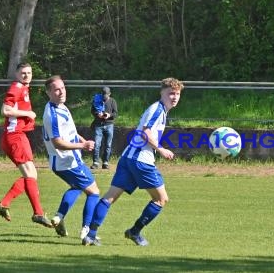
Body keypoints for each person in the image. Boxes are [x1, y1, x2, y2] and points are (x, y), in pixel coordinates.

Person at [81, 77, 184, 246]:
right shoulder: (157, 110)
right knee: (161, 199)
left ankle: (90, 235)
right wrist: (161, 149)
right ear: (162, 93)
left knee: (110, 197)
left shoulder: (160, 110)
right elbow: (145, 133)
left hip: (128, 158)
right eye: (171, 93)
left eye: (177, 94)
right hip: (141, 161)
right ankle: (134, 232)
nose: (174, 97)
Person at [41, 75, 101, 239]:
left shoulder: (60, 106)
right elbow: (58, 143)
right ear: (49, 93)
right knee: (94, 192)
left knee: (77, 187)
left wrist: (82, 140)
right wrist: (83, 145)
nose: (61, 92)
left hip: (62, 162)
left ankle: (58, 217)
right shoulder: (52, 115)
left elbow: (70, 132)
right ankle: (86, 231)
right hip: (68, 162)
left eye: (63, 88)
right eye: (56, 90)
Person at [0, 62, 52, 227]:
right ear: (17, 74)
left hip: (17, 136)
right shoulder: (17, 87)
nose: (27, 75)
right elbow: (5, 110)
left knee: (31, 175)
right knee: (30, 175)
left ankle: (4, 204)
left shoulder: (23, 88)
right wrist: (28, 113)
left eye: (29, 72)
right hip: (15, 136)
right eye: (23, 73)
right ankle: (38, 213)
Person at [90, 86, 118, 169]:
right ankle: (95, 162)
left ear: (109, 94)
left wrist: (109, 115)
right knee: (97, 144)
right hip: (98, 125)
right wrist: (97, 114)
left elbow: (115, 113)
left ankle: (105, 162)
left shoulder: (113, 101)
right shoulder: (97, 100)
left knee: (108, 145)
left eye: (106, 94)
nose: (104, 96)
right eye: (103, 94)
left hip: (109, 125)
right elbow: (92, 111)